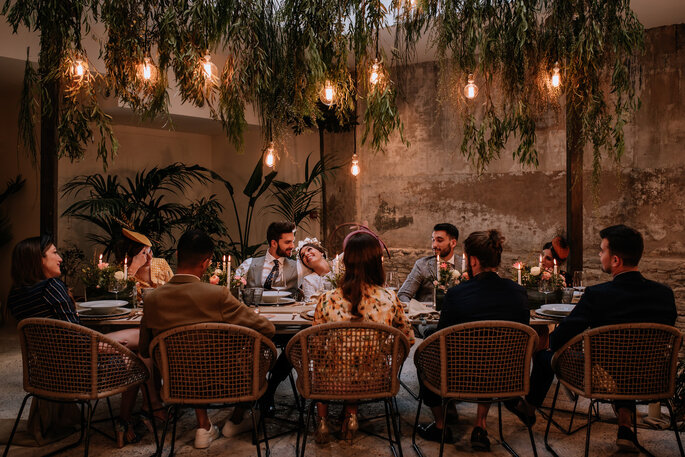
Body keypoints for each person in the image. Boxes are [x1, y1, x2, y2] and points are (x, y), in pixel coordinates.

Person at [511, 225, 677, 452]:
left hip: (601, 377)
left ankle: (528, 408)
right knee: (626, 361)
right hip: (650, 374)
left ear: (616, 260)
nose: (600, 255)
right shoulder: (664, 295)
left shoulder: (598, 295)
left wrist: (549, 342)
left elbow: (563, 335)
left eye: (602, 251)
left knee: (545, 355)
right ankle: (625, 424)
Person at [140, 230, 275, 449]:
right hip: (230, 382)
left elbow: (146, 350)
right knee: (257, 352)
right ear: (206, 263)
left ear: (176, 255)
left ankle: (203, 426)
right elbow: (267, 329)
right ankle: (237, 418)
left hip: (179, 382)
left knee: (193, 362)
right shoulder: (217, 294)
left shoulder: (152, 299)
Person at [7, 235, 143, 448]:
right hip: (81, 373)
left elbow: (65, 338)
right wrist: (112, 350)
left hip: (47, 373)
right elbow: (77, 342)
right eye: (54, 253)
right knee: (140, 350)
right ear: (38, 259)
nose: (59, 258)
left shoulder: (14, 296)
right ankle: (125, 422)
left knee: (134, 335)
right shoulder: (51, 287)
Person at [416, 229, 529, 451]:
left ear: (473, 260)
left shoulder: (457, 294)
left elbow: (441, 340)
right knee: (491, 354)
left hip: (460, 376)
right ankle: (480, 424)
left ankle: (441, 425)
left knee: (426, 349)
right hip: (504, 376)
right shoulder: (518, 293)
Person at [313, 231, 415, 443]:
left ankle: (322, 421)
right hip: (376, 378)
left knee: (323, 362)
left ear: (346, 263)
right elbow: (407, 338)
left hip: (331, 381)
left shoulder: (326, 299)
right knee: (359, 361)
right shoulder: (389, 297)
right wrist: (381, 349)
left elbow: (315, 346)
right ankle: (351, 414)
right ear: (377, 263)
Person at [236, 221, 306, 297]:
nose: (292, 246)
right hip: (255, 308)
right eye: (288, 242)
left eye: (292, 241)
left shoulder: (298, 267)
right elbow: (235, 289)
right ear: (274, 243)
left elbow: (320, 270)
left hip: (285, 308)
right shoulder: (249, 264)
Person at [398, 223, 460, 303]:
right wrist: (416, 309)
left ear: (453, 243)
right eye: (433, 240)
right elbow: (403, 295)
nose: (434, 245)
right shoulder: (422, 265)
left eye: (439, 240)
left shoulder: (464, 265)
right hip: (427, 314)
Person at [117, 228, 173, 300]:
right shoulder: (122, 272)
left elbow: (175, 289)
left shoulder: (161, 263)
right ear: (132, 256)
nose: (150, 258)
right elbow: (121, 297)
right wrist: (134, 266)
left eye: (149, 251)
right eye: (144, 254)